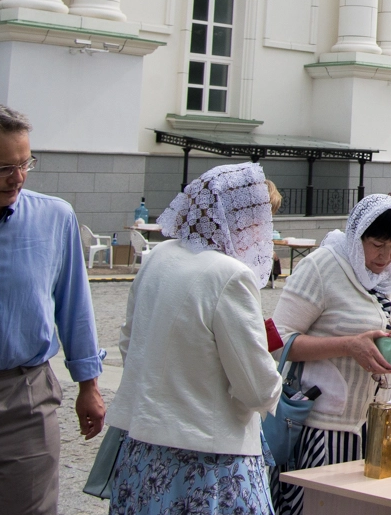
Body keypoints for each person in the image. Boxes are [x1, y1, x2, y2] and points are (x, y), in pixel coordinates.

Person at [105, 163, 283, 514]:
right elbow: (256, 386)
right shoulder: (229, 275)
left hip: (144, 449)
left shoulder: (159, 257)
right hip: (208, 457)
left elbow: (130, 344)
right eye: (261, 220)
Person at [0, 103, 104, 515]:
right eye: (3, 168)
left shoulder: (54, 218)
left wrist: (89, 386)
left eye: (26, 163)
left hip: (23, 404)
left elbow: (74, 304)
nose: (19, 177)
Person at [271, 196, 391, 514]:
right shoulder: (323, 266)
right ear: (358, 236)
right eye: (377, 244)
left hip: (384, 430)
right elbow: (277, 341)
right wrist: (347, 345)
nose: (385, 256)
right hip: (325, 427)